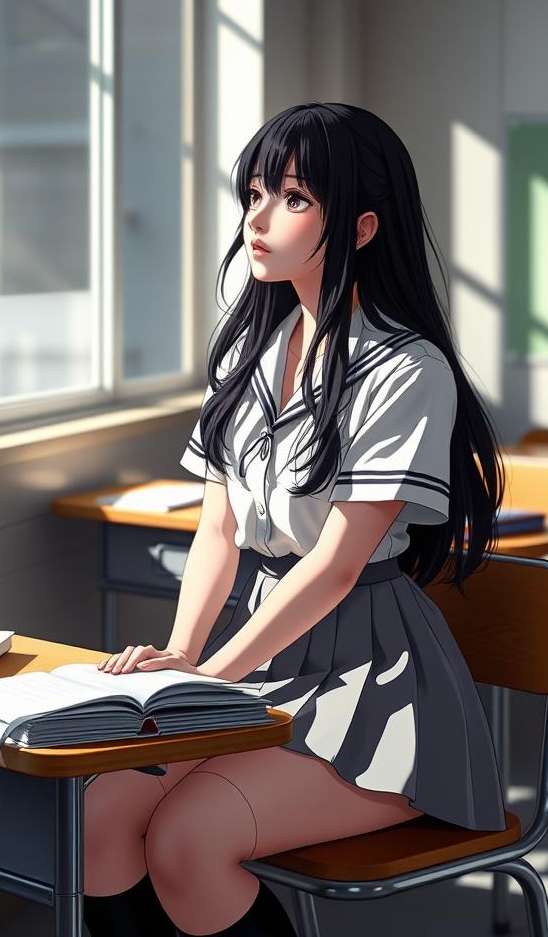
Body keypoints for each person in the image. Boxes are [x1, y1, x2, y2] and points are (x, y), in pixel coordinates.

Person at [82, 102, 507, 937]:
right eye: (253, 195)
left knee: (186, 839)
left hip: (373, 678)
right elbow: (218, 532)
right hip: (261, 659)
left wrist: (215, 679)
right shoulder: (249, 355)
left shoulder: (406, 370)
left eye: (294, 199)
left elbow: (337, 567)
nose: (258, 220)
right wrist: (183, 659)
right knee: (94, 817)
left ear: (361, 227)